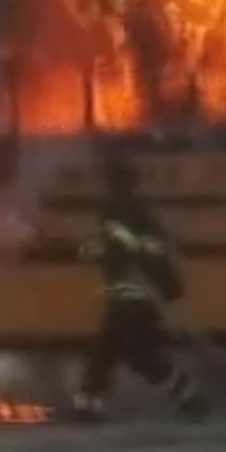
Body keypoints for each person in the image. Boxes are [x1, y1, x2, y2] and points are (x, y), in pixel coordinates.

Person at [73, 147, 208, 422]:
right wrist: (170, 288)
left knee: (136, 355)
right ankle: (87, 405)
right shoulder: (129, 213)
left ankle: (189, 397)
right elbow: (141, 251)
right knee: (106, 351)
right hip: (125, 296)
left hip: (134, 298)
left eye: (108, 181)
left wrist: (168, 286)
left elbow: (138, 252)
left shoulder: (122, 213)